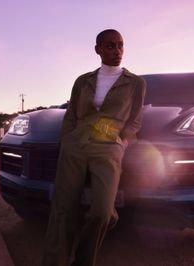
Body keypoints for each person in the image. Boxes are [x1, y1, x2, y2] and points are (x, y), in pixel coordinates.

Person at [42, 29, 146, 266]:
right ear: (97, 49)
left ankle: (83, 260)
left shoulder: (136, 83)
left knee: (102, 212)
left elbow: (135, 120)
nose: (117, 51)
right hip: (75, 145)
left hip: (108, 147)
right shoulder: (82, 80)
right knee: (62, 209)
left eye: (120, 45)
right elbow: (71, 115)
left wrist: (122, 142)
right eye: (110, 46)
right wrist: (66, 141)